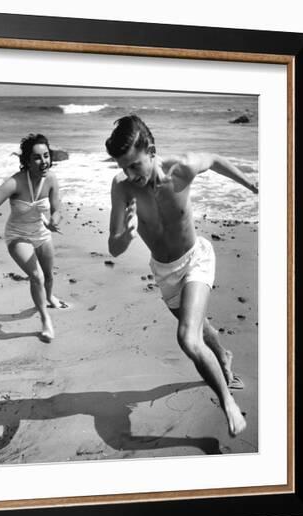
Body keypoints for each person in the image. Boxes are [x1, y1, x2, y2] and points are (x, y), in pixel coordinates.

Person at [105, 115, 258, 437]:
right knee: (199, 327)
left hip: (196, 259)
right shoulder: (122, 188)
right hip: (164, 272)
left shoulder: (182, 169)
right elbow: (114, 249)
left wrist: (252, 186)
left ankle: (227, 401)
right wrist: (127, 235)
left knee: (188, 338)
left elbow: (214, 160)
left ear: (152, 151)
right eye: (123, 167)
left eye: (135, 165)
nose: (130, 174)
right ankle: (224, 355)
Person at [0, 133, 66, 343]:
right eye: (37, 157)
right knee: (37, 277)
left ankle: (50, 297)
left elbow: (57, 209)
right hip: (17, 236)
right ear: (27, 160)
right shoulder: (15, 183)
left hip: (42, 233)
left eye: (46, 156)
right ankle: (45, 321)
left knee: (49, 276)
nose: (43, 161)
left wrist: (55, 219)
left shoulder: (51, 179)